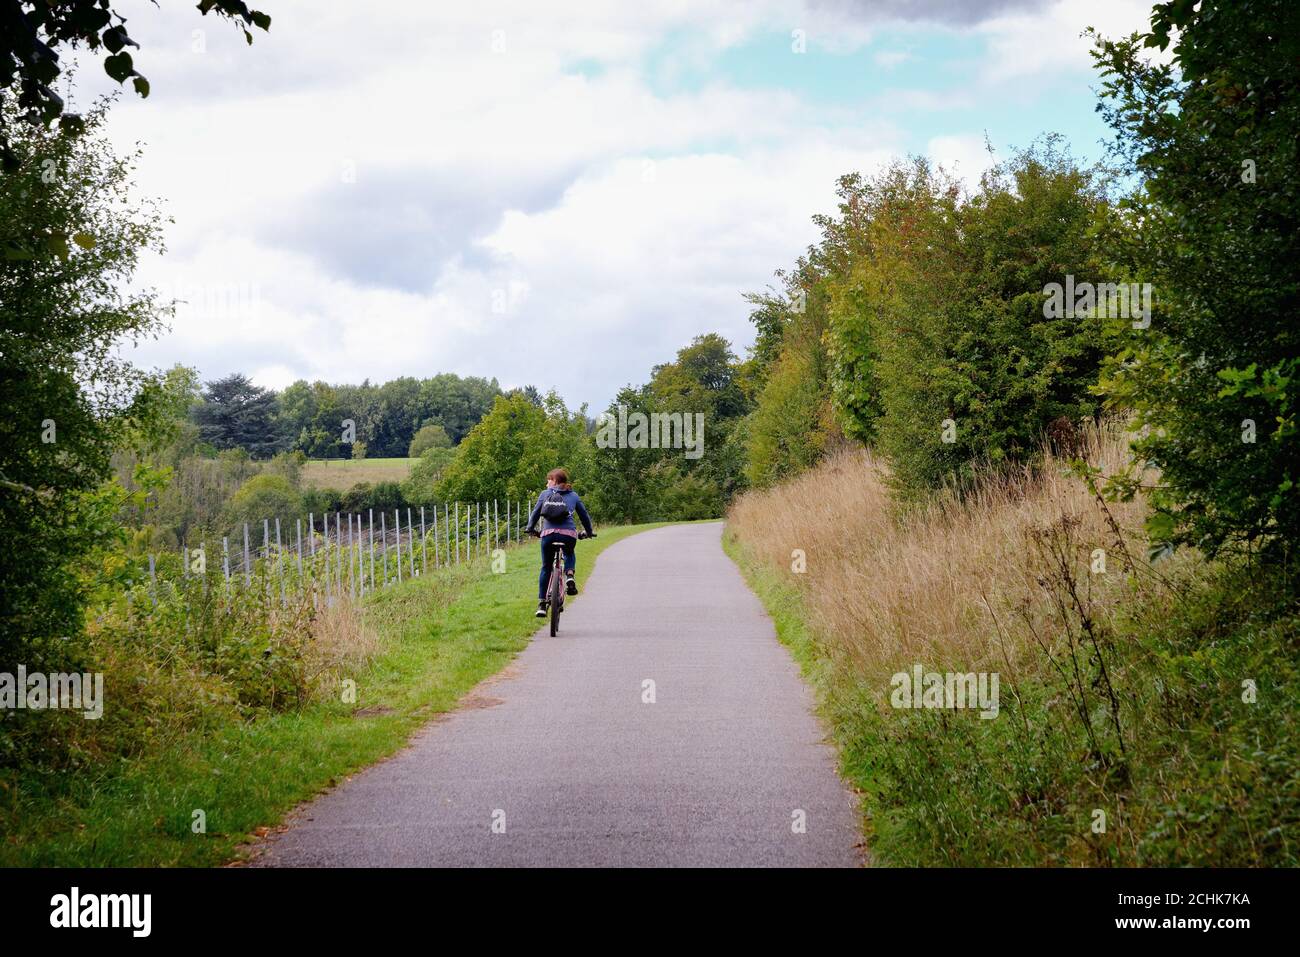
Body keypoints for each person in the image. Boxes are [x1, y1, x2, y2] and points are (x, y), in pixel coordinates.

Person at [524, 468, 595, 617]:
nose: (546, 483)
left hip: (548, 535)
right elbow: (584, 516)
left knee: (546, 567)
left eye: (548, 480)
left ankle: (542, 604)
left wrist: (530, 529)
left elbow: (535, 513)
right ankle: (569, 575)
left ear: (555, 481)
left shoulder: (545, 494)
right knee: (569, 552)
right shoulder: (573, 495)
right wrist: (588, 532)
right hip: (568, 535)